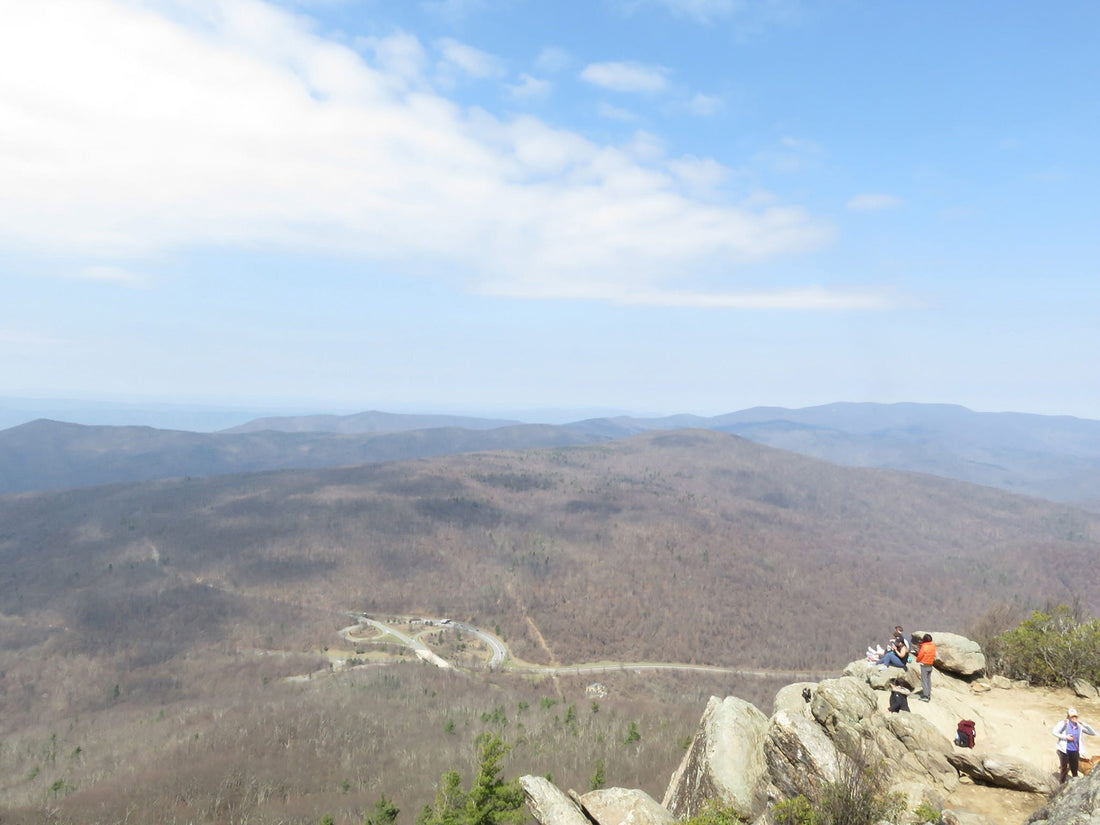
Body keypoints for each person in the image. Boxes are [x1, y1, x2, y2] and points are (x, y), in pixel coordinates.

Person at [1053, 708, 1097, 783]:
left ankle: (1074, 785)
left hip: (1075, 750)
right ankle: (1061, 785)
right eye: (1072, 716)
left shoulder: (1079, 726)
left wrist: (1083, 724)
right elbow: (1054, 732)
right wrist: (1066, 737)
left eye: (1075, 716)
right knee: (1064, 769)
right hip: (1064, 750)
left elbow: (1093, 733)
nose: (1074, 718)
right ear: (1068, 716)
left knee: (1074, 769)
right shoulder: (1064, 723)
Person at [916, 634, 936, 702]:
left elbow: (920, 655)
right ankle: (928, 694)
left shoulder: (924, 647)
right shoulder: (933, 646)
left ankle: (925, 696)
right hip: (930, 664)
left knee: (924, 680)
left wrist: (917, 660)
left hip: (924, 665)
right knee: (928, 680)